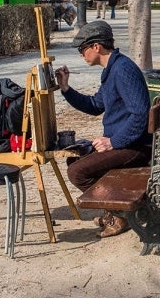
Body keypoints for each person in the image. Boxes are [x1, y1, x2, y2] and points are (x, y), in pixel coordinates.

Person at [54, 21, 151, 238]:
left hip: (136, 145)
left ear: (96, 47)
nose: (81, 55)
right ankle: (115, 210)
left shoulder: (122, 70)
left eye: (82, 49)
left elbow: (141, 114)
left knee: (77, 171)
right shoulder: (112, 69)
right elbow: (95, 105)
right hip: (128, 141)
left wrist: (113, 142)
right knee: (75, 159)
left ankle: (120, 214)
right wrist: (66, 89)